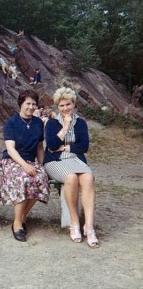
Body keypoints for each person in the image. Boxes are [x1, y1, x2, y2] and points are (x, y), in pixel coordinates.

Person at [44, 87, 99, 248]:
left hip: (75, 158)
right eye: (61, 106)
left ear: (74, 104)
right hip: (55, 161)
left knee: (88, 178)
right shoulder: (52, 123)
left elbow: (84, 147)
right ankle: (74, 223)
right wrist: (65, 127)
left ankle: (89, 226)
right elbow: (52, 146)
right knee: (71, 178)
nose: (65, 108)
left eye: (68, 104)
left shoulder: (81, 123)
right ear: (57, 107)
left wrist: (66, 147)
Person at [0, 90, 49, 242]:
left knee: (41, 178)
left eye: (34, 104)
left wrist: (42, 165)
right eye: (28, 103)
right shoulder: (11, 123)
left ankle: (22, 216)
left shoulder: (38, 123)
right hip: (12, 161)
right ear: (21, 104)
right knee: (23, 179)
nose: (31, 107)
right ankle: (17, 223)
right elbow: (10, 149)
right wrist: (24, 165)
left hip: (30, 161)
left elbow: (39, 147)